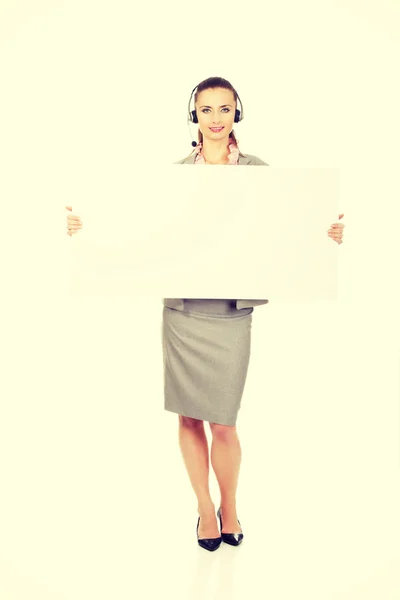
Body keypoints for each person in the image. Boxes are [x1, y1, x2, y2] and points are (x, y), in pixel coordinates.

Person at [66, 76, 345, 552]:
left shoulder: (261, 172)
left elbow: (287, 229)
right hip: (184, 312)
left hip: (230, 312)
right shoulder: (173, 175)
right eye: (206, 109)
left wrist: (325, 233)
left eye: (224, 108)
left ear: (238, 112)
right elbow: (138, 233)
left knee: (225, 422)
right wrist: (88, 228)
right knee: (189, 417)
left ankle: (230, 505)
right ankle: (203, 507)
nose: (215, 118)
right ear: (193, 115)